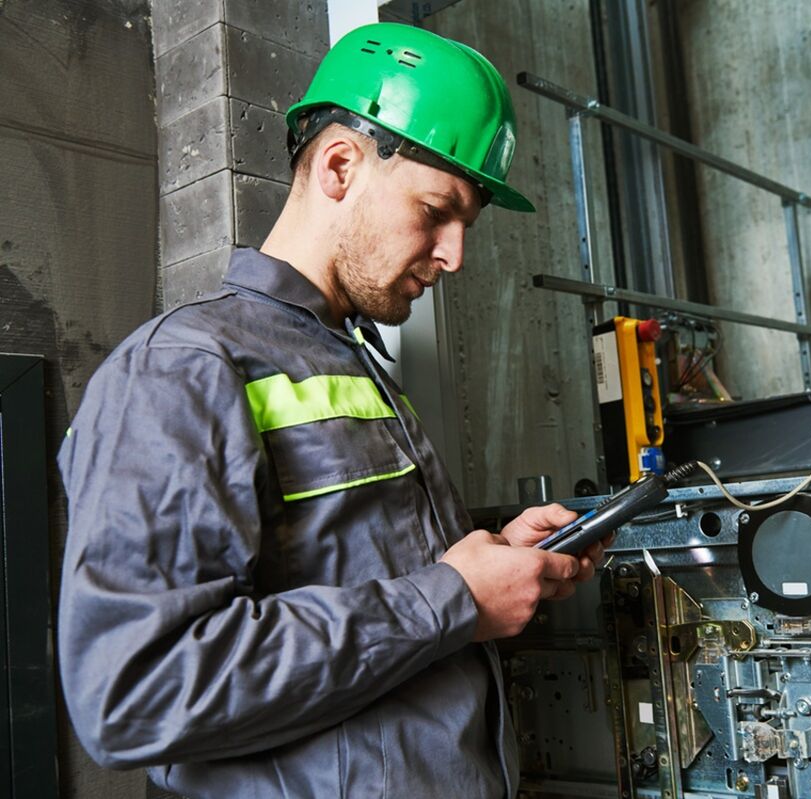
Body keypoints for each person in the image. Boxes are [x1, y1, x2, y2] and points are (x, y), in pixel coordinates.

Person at [56, 22, 605, 798]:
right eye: (436, 210)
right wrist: (453, 598)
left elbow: (366, 585)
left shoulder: (354, 360)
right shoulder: (182, 366)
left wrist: (491, 559)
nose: (454, 254)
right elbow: (135, 691)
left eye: (465, 226)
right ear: (340, 165)